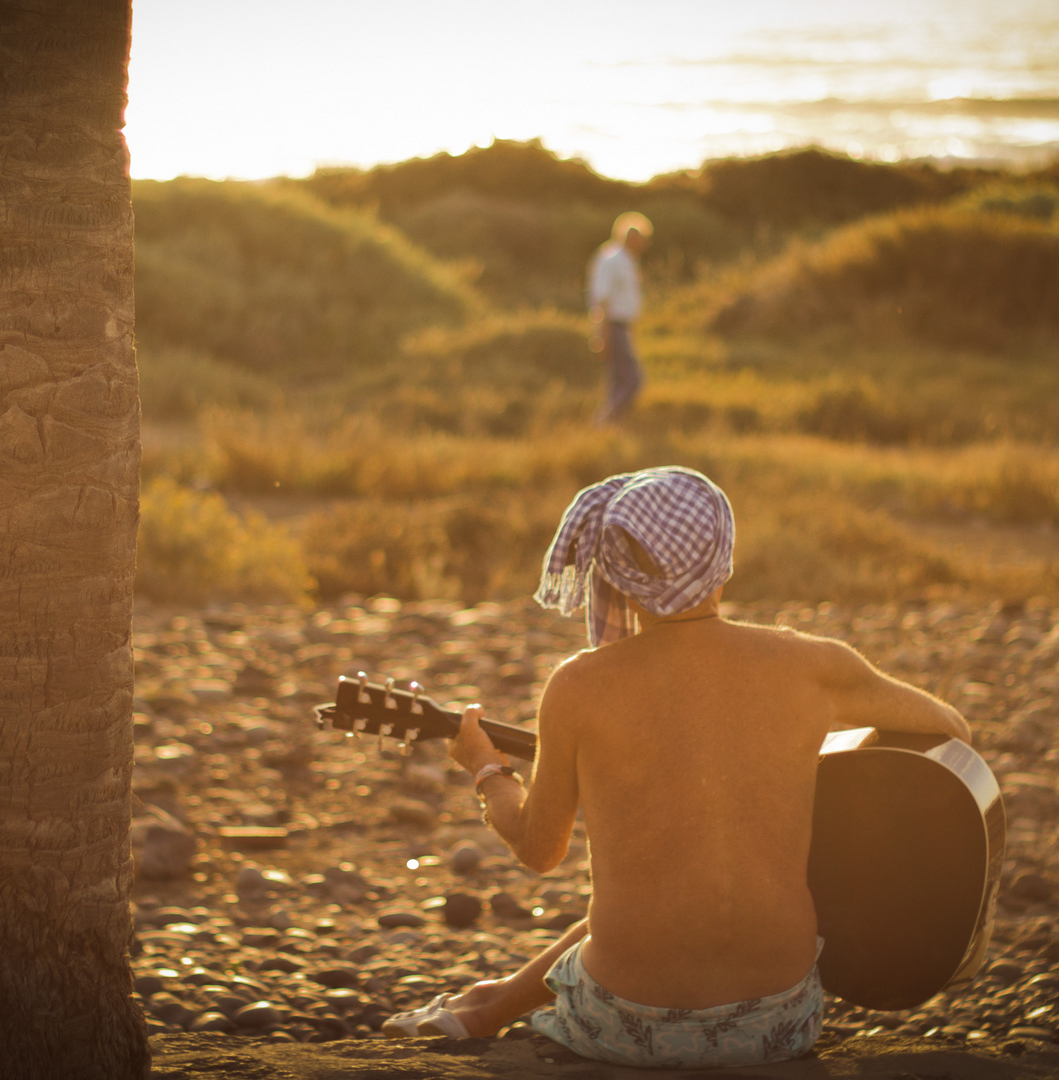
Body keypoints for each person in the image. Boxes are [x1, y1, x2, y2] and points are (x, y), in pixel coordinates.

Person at [382, 466, 969, 1068]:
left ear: (614, 569)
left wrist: (485, 770)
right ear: (725, 558)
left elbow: (540, 850)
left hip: (626, 1023)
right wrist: (830, 779)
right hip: (780, 1019)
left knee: (634, 902)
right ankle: (489, 1003)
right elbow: (950, 727)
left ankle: (487, 1004)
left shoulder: (579, 686)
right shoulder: (812, 665)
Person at [588, 212, 650, 425]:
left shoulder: (627, 260)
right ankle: (605, 421)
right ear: (631, 237)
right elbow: (602, 299)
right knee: (634, 380)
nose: (644, 244)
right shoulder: (612, 259)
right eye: (642, 238)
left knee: (617, 383)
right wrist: (601, 333)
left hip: (621, 327)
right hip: (612, 326)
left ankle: (613, 427)